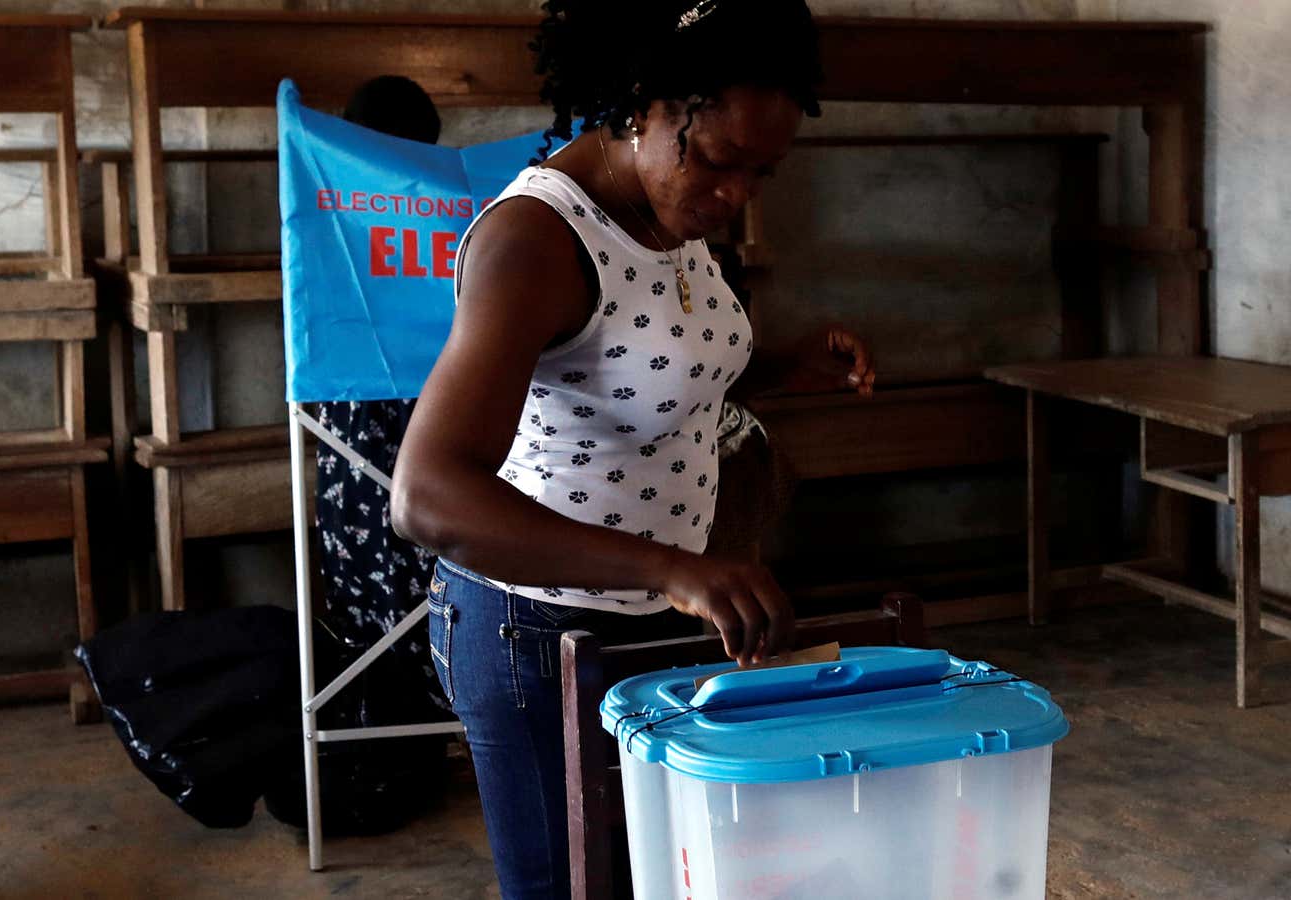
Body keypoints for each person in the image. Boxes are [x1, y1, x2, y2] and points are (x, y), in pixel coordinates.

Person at [390, 2, 876, 897]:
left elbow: (649, 369)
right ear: (640, 106)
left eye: (762, 173)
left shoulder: (670, 213)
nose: (736, 197)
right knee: (577, 885)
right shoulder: (535, 241)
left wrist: (780, 364)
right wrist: (667, 568)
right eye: (720, 161)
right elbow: (427, 497)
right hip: (535, 627)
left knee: (665, 873)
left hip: (652, 607)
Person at [313, 75, 447, 717]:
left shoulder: (323, 219)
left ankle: (394, 700)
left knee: (373, 533)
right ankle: (441, 692)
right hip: (428, 403)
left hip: (353, 413)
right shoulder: (451, 206)